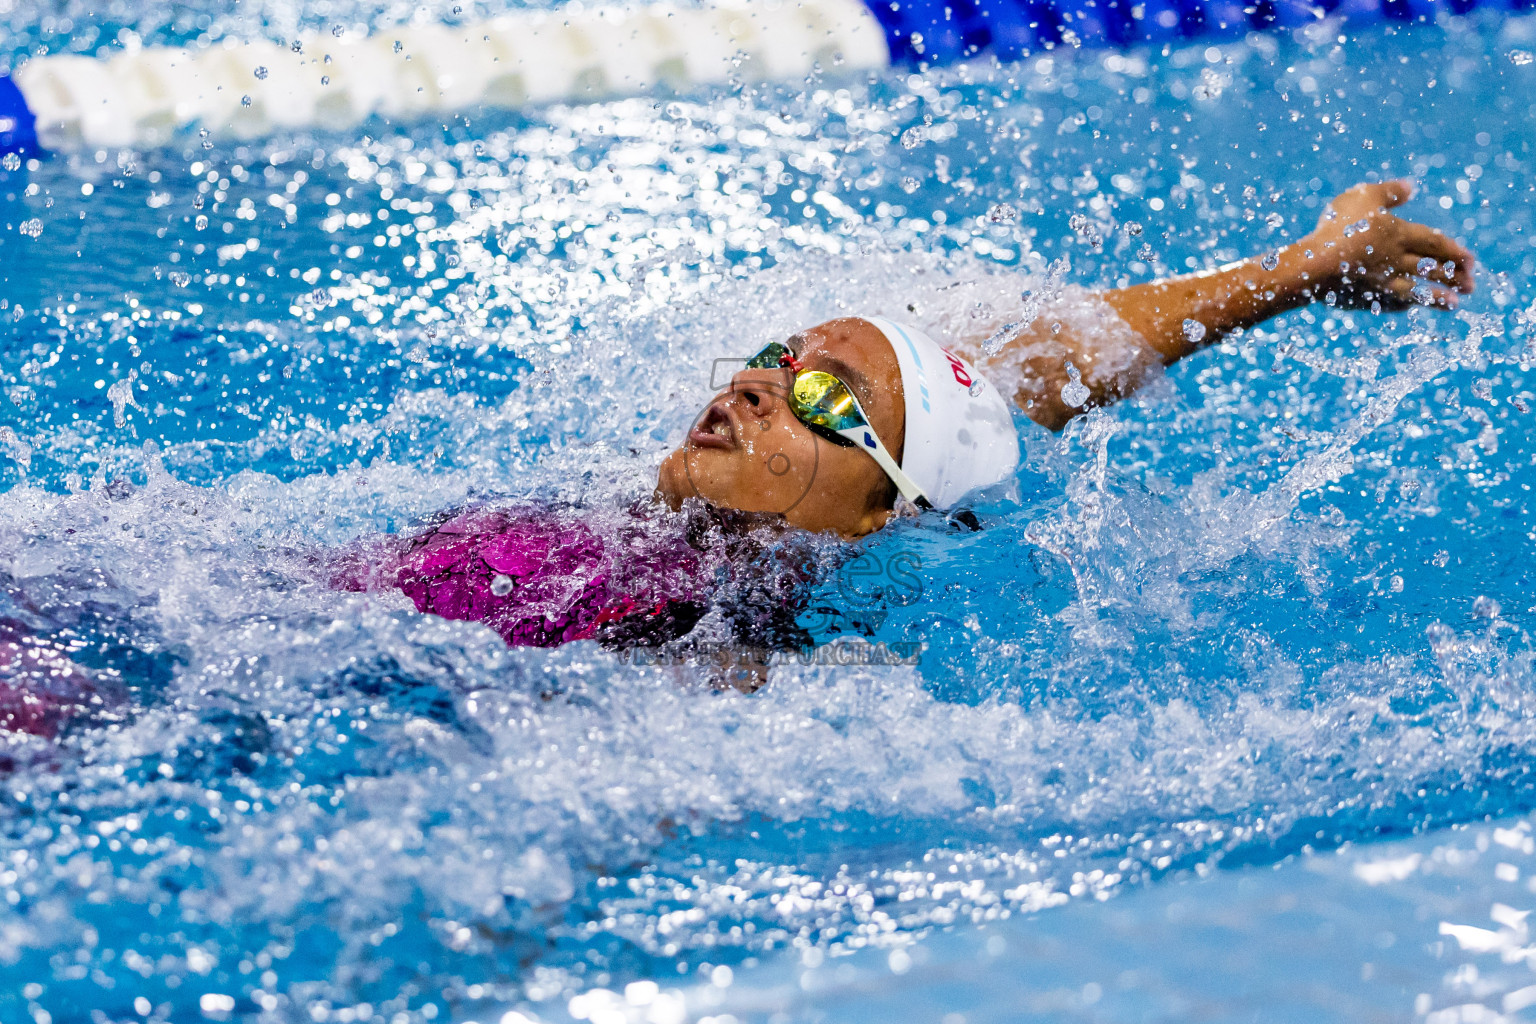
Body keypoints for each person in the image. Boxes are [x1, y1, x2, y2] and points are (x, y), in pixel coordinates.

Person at [0, 178, 1478, 737]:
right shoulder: (709, 519)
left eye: (824, 406)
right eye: (778, 358)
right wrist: (1296, 269)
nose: (762, 390)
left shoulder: (715, 638)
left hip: (149, 685)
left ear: (877, 517)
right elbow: (1032, 375)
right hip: (164, 580)